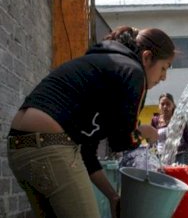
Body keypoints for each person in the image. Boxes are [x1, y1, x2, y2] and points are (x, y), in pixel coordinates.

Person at [7, 25, 175, 218]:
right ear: (146, 57)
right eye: (163, 68)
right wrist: (145, 132)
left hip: (19, 148)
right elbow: (122, 141)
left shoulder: (103, 67)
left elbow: (86, 153)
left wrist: (112, 196)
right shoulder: (134, 72)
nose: (164, 77)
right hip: (51, 145)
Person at [151, 93, 188, 164]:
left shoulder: (180, 120)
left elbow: (187, 142)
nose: (165, 106)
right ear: (159, 106)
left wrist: (174, 149)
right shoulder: (155, 120)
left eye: (168, 104)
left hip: (177, 157)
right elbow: (151, 140)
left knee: (175, 175)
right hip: (159, 158)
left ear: (173, 105)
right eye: (162, 104)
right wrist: (155, 151)